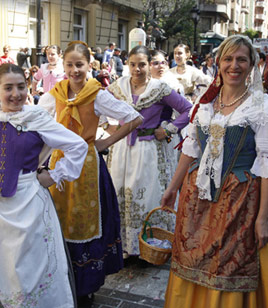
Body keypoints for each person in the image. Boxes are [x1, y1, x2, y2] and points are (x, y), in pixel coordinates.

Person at [161, 35, 268, 308]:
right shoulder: (205, 102)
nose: (234, 65)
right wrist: (172, 189)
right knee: (193, 257)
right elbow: (191, 149)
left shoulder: (260, 107)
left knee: (230, 262)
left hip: (239, 198)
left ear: (252, 65)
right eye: (228, 59)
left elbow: (267, 163)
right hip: (197, 196)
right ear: (218, 63)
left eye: (241, 59)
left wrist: (263, 218)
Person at [38, 41, 142, 307]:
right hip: (59, 165)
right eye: (70, 65)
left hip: (87, 167)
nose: (75, 70)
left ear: (89, 65)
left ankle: (85, 287)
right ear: (63, 66)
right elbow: (37, 127)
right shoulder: (54, 95)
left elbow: (133, 118)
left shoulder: (97, 94)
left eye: (79, 65)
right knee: (60, 222)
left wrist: (105, 142)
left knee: (83, 222)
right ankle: (62, 279)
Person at [0, 63, 89, 308]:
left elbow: (77, 146)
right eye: (8, 88)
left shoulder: (35, 118)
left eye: (20, 86)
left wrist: (54, 175)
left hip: (29, 203)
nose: (15, 94)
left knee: (29, 267)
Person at [107, 45, 192, 257]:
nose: (137, 69)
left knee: (146, 196)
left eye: (142, 64)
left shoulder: (159, 89)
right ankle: (124, 246)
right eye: (133, 64)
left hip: (148, 151)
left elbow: (188, 110)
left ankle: (149, 246)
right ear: (127, 64)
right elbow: (96, 105)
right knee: (120, 194)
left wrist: (169, 128)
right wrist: (107, 127)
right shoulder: (118, 87)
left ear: (149, 65)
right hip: (121, 150)